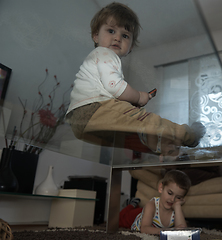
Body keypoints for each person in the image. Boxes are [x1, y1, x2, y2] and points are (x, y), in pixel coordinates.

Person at [66, 2, 205, 160]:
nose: (117, 38)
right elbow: (114, 87)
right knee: (148, 121)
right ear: (95, 35)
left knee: (132, 132)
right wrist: (139, 97)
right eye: (111, 31)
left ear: (130, 47)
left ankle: (165, 149)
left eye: (125, 36)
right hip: (94, 109)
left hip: (81, 120)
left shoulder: (97, 58)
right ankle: (187, 134)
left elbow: (109, 90)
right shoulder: (105, 54)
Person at [119, 169, 191, 235]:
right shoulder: (151, 205)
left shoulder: (176, 208)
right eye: (170, 193)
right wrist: (166, 231)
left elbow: (182, 231)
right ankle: (131, 204)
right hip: (137, 223)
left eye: (178, 197)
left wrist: (177, 206)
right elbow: (144, 229)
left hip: (150, 221)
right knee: (121, 218)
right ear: (161, 188)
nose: (172, 199)